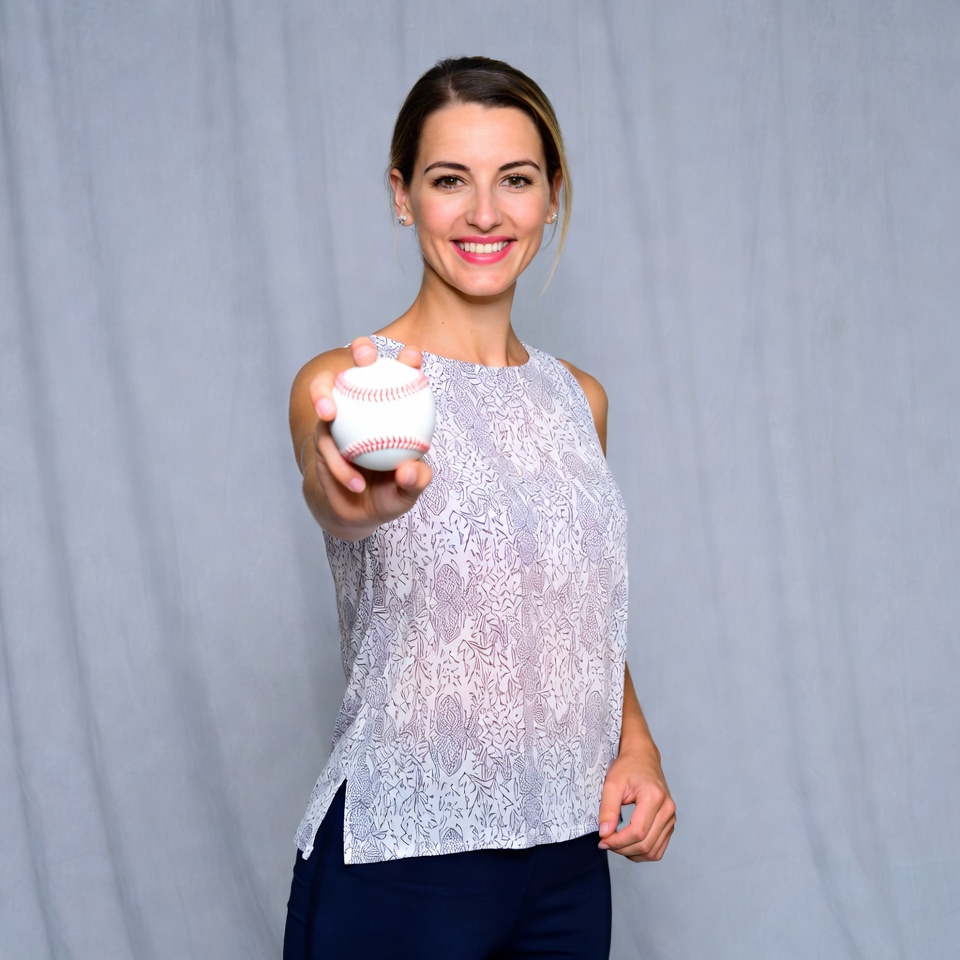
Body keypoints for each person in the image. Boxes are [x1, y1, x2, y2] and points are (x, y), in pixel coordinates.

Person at [283, 56, 675, 960]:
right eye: (449, 180)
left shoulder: (580, 399)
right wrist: (357, 497)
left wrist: (639, 747)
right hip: (404, 858)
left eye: (517, 180)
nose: (485, 213)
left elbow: (570, 613)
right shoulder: (349, 384)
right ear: (402, 194)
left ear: (552, 196)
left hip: (568, 858)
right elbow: (334, 502)